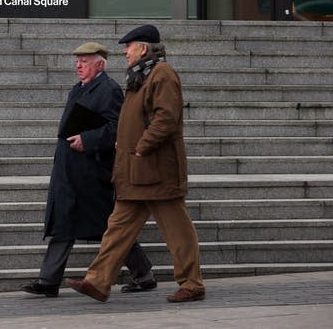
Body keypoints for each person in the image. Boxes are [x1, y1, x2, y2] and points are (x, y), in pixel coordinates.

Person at [66, 25, 205, 303]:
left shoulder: (162, 74)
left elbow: (166, 118)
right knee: (117, 228)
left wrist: (140, 146)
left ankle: (192, 284)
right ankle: (97, 281)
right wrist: (125, 143)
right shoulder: (141, 75)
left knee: (178, 230)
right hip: (135, 172)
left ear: (143, 48)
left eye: (128, 47)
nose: (124, 52)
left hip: (157, 171)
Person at [20, 42, 156, 298]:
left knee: (109, 226)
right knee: (64, 223)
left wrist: (88, 140)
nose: (79, 66)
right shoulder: (79, 88)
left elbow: (119, 128)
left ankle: (144, 273)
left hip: (91, 172)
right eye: (77, 62)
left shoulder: (109, 89)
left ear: (100, 64)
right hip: (70, 171)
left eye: (84, 62)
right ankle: (48, 280)